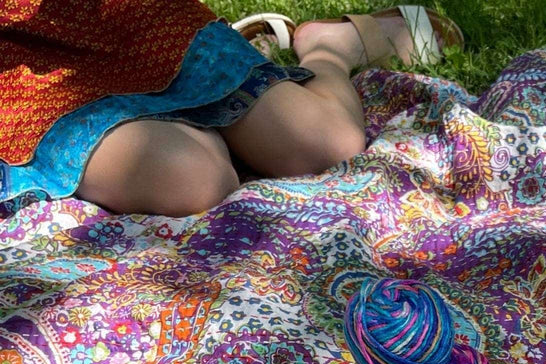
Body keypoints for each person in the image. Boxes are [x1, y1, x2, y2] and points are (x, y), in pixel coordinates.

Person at [0, 3, 462, 216]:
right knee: (192, 180)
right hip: (19, 71)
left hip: (116, 16)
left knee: (327, 143)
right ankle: (214, 115)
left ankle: (329, 48)